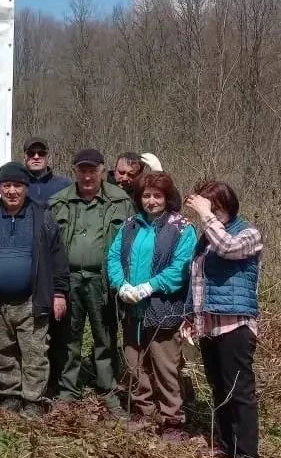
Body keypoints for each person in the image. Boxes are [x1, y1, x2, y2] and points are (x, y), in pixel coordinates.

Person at [0, 162, 69, 418]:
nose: (11, 191)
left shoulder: (43, 216)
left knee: (34, 354)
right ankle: (10, 395)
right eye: (6, 186)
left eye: (17, 186)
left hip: (32, 301)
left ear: (26, 188)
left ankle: (33, 400)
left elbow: (58, 258)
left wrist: (60, 293)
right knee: (0, 353)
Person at [107, 172, 197, 440]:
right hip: (132, 308)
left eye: (157, 196)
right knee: (135, 364)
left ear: (168, 198)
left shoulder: (182, 227)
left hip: (163, 308)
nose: (151, 201)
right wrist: (121, 285)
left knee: (165, 367)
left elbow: (181, 267)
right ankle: (143, 412)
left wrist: (150, 286)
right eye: (146, 196)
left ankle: (172, 420)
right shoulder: (131, 225)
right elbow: (113, 256)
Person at [48, 149, 135, 418]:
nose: (87, 176)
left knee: (105, 336)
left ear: (101, 170)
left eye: (92, 170)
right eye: (82, 170)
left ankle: (107, 388)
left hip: (104, 280)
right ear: (75, 171)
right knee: (68, 337)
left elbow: (131, 245)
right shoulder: (59, 203)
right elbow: (48, 245)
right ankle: (68, 390)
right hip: (69, 279)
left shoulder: (120, 201)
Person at [184, 182, 262, 458]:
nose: (210, 213)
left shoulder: (248, 233)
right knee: (219, 390)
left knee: (239, 393)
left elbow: (228, 249)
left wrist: (205, 215)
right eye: (207, 206)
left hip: (235, 326)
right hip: (208, 326)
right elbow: (197, 282)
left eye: (214, 207)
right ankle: (226, 447)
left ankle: (246, 453)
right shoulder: (205, 239)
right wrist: (190, 316)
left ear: (227, 205)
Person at [22, 136, 71, 206]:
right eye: (31, 153)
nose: (36, 157)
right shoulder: (16, 186)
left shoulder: (64, 185)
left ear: (48, 157)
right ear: (24, 157)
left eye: (41, 153)